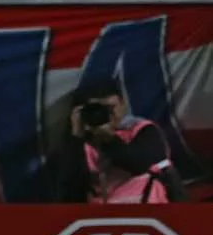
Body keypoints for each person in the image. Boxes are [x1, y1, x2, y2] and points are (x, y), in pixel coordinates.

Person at [56, 79, 187, 204]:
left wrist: (109, 138)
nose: (107, 114)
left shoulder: (142, 130)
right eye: (97, 109)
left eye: (111, 107)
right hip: (101, 218)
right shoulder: (82, 142)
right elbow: (68, 186)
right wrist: (75, 137)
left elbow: (140, 165)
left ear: (123, 105)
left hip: (147, 212)